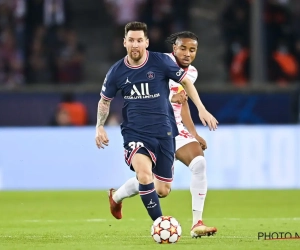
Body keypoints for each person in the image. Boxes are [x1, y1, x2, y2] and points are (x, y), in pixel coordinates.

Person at [95, 22, 218, 223]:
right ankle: (161, 224)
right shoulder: (116, 71)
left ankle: (117, 196)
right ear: (125, 42)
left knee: (162, 189)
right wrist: (99, 126)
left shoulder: (160, 62)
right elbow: (104, 101)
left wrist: (201, 110)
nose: (136, 45)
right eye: (132, 40)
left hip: (165, 132)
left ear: (147, 42)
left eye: (140, 40)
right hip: (135, 133)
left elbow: (184, 83)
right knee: (144, 176)